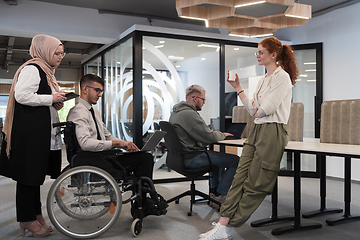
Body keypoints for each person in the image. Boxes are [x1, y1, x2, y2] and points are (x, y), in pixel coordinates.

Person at [198, 36, 298, 240]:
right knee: (239, 178)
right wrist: (237, 87)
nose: (258, 55)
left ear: (274, 54)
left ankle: (229, 224)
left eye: (261, 52)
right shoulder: (262, 80)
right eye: (257, 52)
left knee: (257, 182)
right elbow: (254, 110)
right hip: (258, 130)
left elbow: (263, 110)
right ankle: (223, 224)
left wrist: (256, 110)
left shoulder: (282, 78)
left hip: (273, 131)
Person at [0, 34, 67, 238]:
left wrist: (54, 102)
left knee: (34, 178)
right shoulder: (33, 68)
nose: (60, 57)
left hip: (38, 134)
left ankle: (35, 215)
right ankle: (27, 220)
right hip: (30, 136)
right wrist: (51, 98)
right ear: (44, 51)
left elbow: (38, 99)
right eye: (56, 53)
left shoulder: (46, 71)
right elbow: (22, 95)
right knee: (28, 178)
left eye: (62, 53)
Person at [66, 73, 154, 185]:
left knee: (144, 156)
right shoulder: (78, 112)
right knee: (144, 159)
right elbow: (85, 143)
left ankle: (142, 196)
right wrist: (116, 144)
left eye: (101, 91)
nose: (100, 94)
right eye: (97, 90)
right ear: (85, 89)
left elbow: (106, 135)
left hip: (104, 156)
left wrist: (125, 143)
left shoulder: (94, 111)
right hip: (94, 159)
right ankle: (144, 199)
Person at [169, 84, 240, 207]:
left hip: (178, 157)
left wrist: (211, 134)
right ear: (195, 98)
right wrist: (222, 135)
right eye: (203, 99)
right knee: (235, 161)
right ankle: (221, 196)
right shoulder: (189, 114)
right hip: (191, 158)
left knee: (218, 160)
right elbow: (209, 138)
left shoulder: (176, 112)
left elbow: (197, 134)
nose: (204, 103)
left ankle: (214, 194)